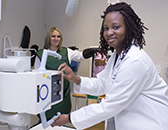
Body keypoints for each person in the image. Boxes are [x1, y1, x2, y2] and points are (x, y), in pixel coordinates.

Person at [51, 2, 168, 130]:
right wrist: (76, 79)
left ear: (128, 28)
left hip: (151, 124)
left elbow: (110, 106)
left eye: (116, 27)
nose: (109, 32)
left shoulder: (135, 61)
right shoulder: (116, 57)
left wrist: (69, 118)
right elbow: (102, 84)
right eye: (106, 28)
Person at [35, 27, 86, 121]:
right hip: (47, 95)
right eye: (53, 36)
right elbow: (37, 77)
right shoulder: (41, 54)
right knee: (46, 121)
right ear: (48, 38)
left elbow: (80, 56)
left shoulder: (66, 51)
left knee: (61, 120)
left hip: (63, 94)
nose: (56, 39)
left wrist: (90, 52)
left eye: (58, 36)